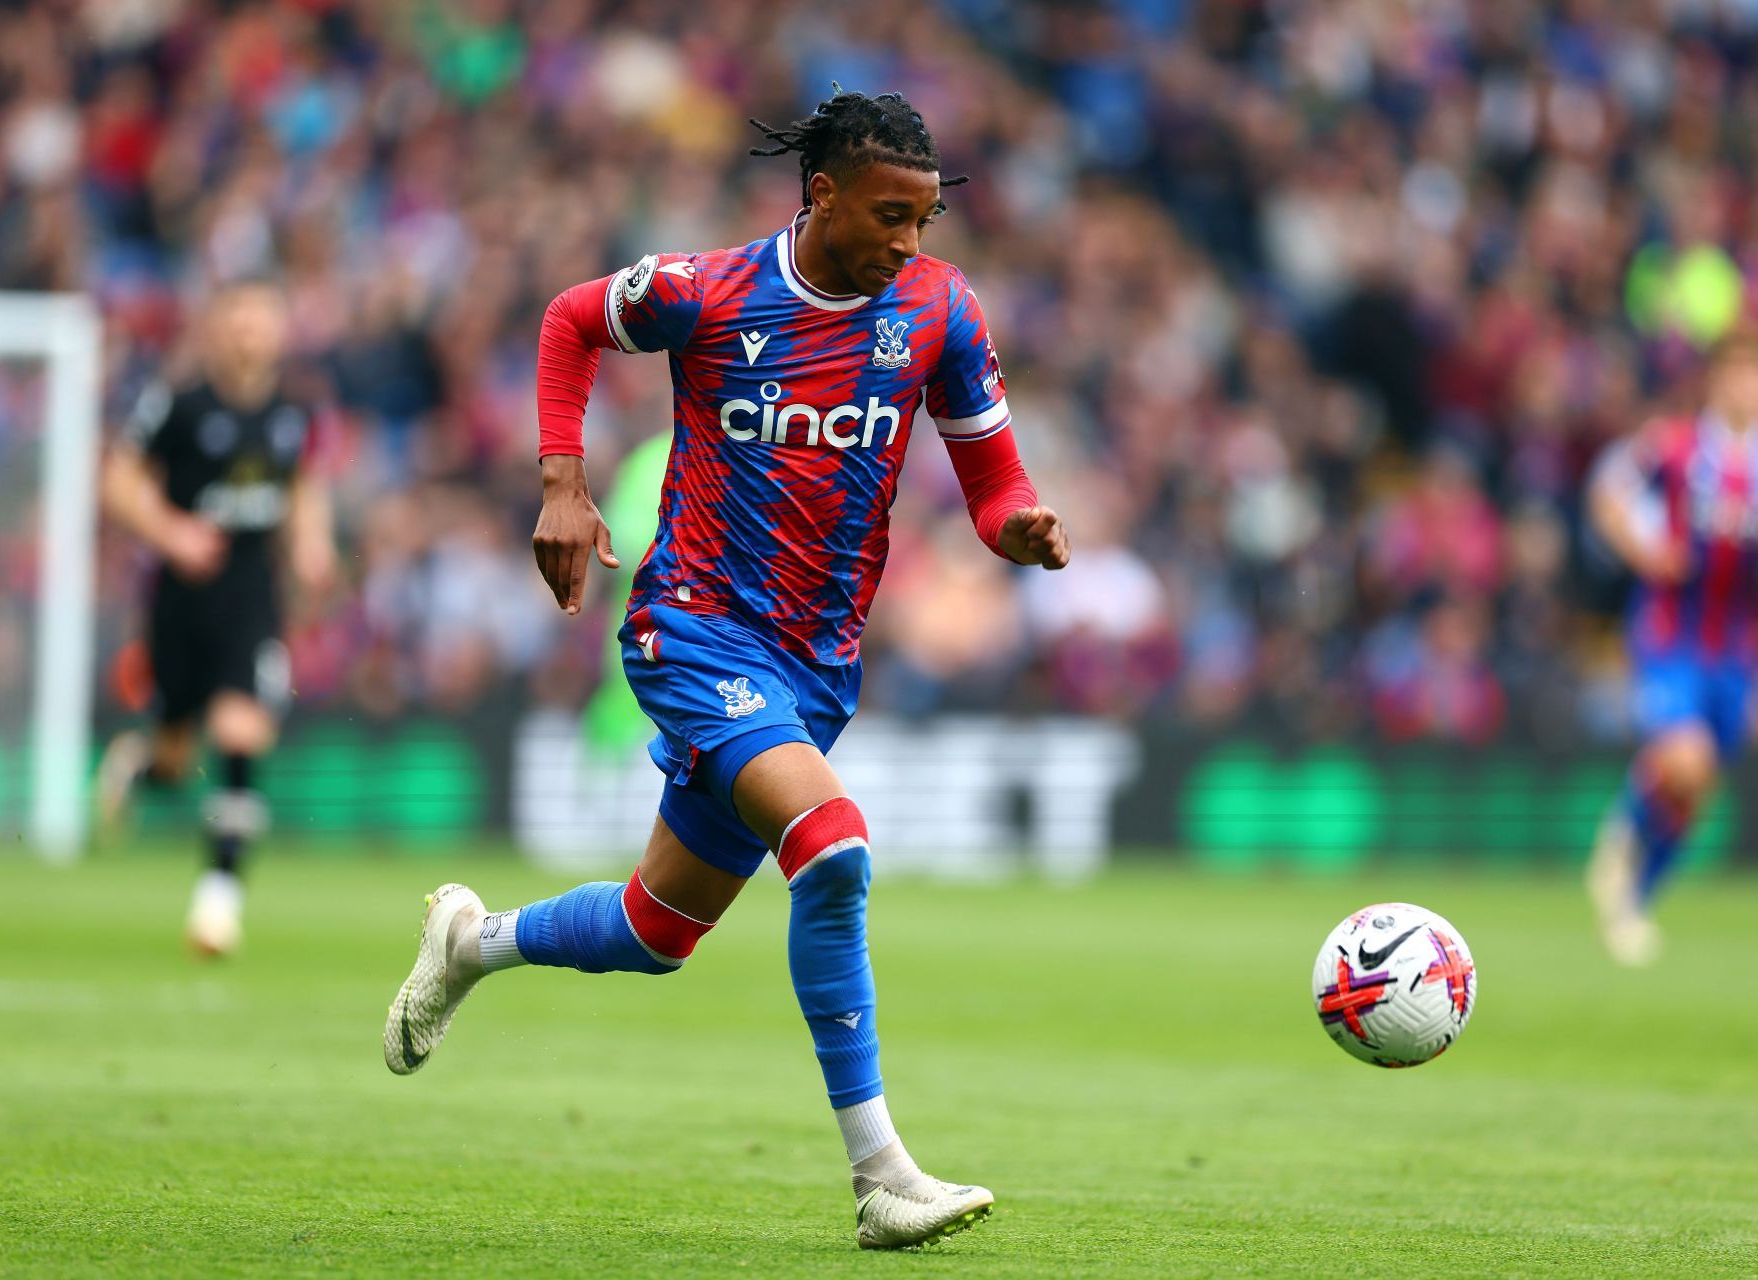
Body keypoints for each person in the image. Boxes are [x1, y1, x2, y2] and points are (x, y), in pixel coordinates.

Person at [382, 89, 1069, 1249]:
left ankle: (470, 942)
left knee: (656, 929)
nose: (911, 240)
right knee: (836, 849)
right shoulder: (708, 291)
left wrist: (1018, 527)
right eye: (891, 214)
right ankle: (882, 1173)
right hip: (695, 631)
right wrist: (561, 480)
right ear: (823, 194)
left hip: (816, 664)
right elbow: (567, 320)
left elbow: (993, 480)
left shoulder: (941, 311)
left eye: (927, 218)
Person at [97, 279, 335, 956]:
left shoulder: (295, 413)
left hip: (252, 597)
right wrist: (169, 531)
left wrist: (313, 546)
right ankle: (141, 765)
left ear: (281, 331)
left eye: (264, 318)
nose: (250, 332)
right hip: (180, 602)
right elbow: (117, 478)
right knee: (177, 758)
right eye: (239, 319)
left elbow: (304, 485)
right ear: (216, 328)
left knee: (239, 729)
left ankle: (217, 903)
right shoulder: (177, 402)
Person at [1586, 331, 1758, 966]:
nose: (1746, 388)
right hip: (1671, 635)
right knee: (1687, 761)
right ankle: (1622, 830)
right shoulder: (1674, 448)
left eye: (1756, 377)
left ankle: (1634, 901)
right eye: (1734, 375)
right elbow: (1607, 492)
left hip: (1740, 649)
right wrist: (1642, 549)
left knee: (1697, 791)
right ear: (1714, 383)